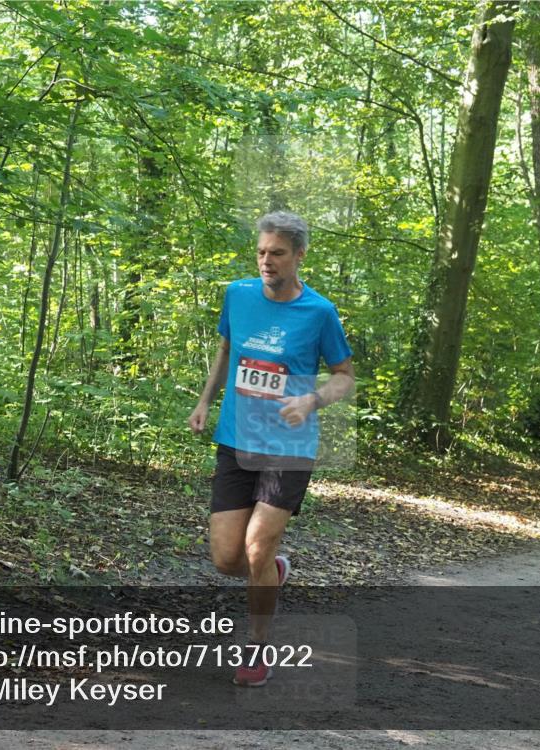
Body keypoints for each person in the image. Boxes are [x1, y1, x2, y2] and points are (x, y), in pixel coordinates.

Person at [188, 211, 354, 687]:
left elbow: (344, 376)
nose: (267, 261)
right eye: (261, 252)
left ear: (299, 256)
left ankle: (257, 649)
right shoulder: (237, 295)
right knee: (226, 559)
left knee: (257, 546)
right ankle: (272, 572)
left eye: (277, 253)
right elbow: (226, 349)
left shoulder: (319, 312)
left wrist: (313, 398)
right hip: (236, 440)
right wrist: (204, 402)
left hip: (289, 447)